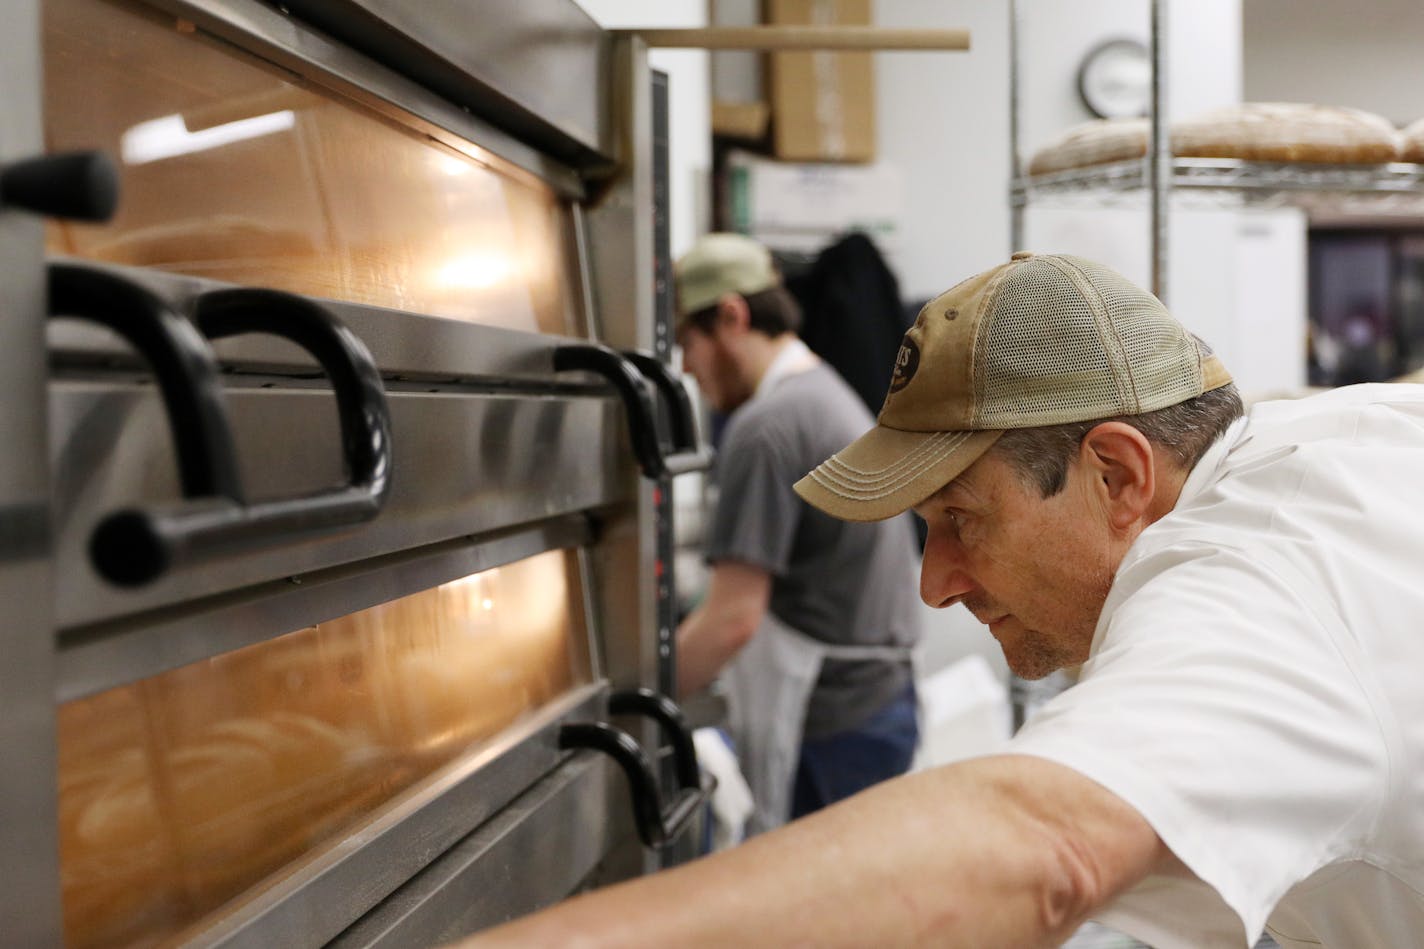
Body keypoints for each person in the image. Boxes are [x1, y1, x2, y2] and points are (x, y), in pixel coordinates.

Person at [459, 251, 1424, 948]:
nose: (935, 581)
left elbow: (1046, 848)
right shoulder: (1338, 433)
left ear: (1120, 475)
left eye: (962, 517)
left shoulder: (1250, 585)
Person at [670, 232, 924, 833]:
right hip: (879, 708)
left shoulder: (766, 427)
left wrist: (634, 705)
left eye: (686, 341)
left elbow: (733, 619)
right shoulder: (821, 390)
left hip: (835, 726)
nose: (684, 366)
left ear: (730, 317)